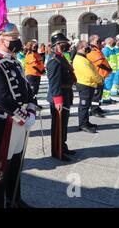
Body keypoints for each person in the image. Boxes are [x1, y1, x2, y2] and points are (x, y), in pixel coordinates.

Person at [0, 0, 37, 208]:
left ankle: (14, 199)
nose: (17, 40)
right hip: (4, 122)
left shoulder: (14, 63)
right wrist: (24, 117)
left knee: (16, 163)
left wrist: (31, 109)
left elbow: (27, 88)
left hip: (20, 122)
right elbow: (0, 98)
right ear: (1, 39)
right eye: (13, 36)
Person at [46, 31, 76, 162]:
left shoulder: (61, 57)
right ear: (57, 44)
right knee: (58, 126)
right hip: (59, 97)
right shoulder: (54, 60)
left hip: (66, 94)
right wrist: (58, 100)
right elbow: (54, 82)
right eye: (63, 43)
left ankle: (63, 146)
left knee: (64, 124)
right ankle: (57, 151)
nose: (66, 45)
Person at [73, 41, 103, 133]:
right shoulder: (79, 59)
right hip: (84, 85)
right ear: (82, 47)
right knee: (84, 106)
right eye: (87, 46)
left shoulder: (83, 58)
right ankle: (83, 125)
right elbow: (90, 74)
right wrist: (100, 80)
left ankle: (86, 122)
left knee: (87, 105)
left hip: (88, 84)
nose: (89, 48)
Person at [86, 35, 112, 118]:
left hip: (101, 75)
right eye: (97, 41)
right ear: (92, 41)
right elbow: (99, 62)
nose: (100, 42)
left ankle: (97, 108)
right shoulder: (91, 50)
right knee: (96, 94)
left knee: (99, 94)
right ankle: (94, 110)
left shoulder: (97, 49)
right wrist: (108, 69)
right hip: (97, 75)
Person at [102, 38, 118, 105]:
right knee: (107, 85)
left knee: (110, 85)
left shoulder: (112, 49)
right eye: (113, 41)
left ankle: (108, 97)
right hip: (108, 71)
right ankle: (105, 99)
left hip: (112, 71)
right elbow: (104, 61)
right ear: (109, 42)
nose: (114, 42)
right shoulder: (106, 50)